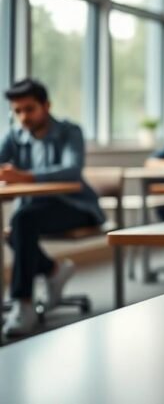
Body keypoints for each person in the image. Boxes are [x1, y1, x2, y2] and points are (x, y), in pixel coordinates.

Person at [1, 79, 105, 337]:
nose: (23, 116)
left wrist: (25, 176)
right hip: (35, 210)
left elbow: (72, 171)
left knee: (21, 223)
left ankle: (23, 304)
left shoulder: (70, 131)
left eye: (29, 109)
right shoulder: (15, 136)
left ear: (46, 106)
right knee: (16, 228)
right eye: (17, 111)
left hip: (76, 206)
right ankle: (54, 270)